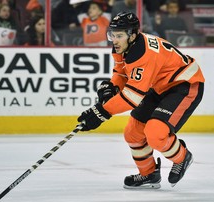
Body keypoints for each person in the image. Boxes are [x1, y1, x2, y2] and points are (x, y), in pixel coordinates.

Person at [77, 11, 205, 189]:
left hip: (185, 85)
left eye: (119, 35)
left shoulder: (143, 53)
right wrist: (113, 87)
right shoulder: (123, 45)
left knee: (155, 133)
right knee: (133, 133)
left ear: (133, 34)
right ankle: (149, 174)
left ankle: (182, 157)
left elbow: (132, 97)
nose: (114, 39)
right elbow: (121, 72)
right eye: (112, 34)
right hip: (160, 86)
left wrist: (102, 112)